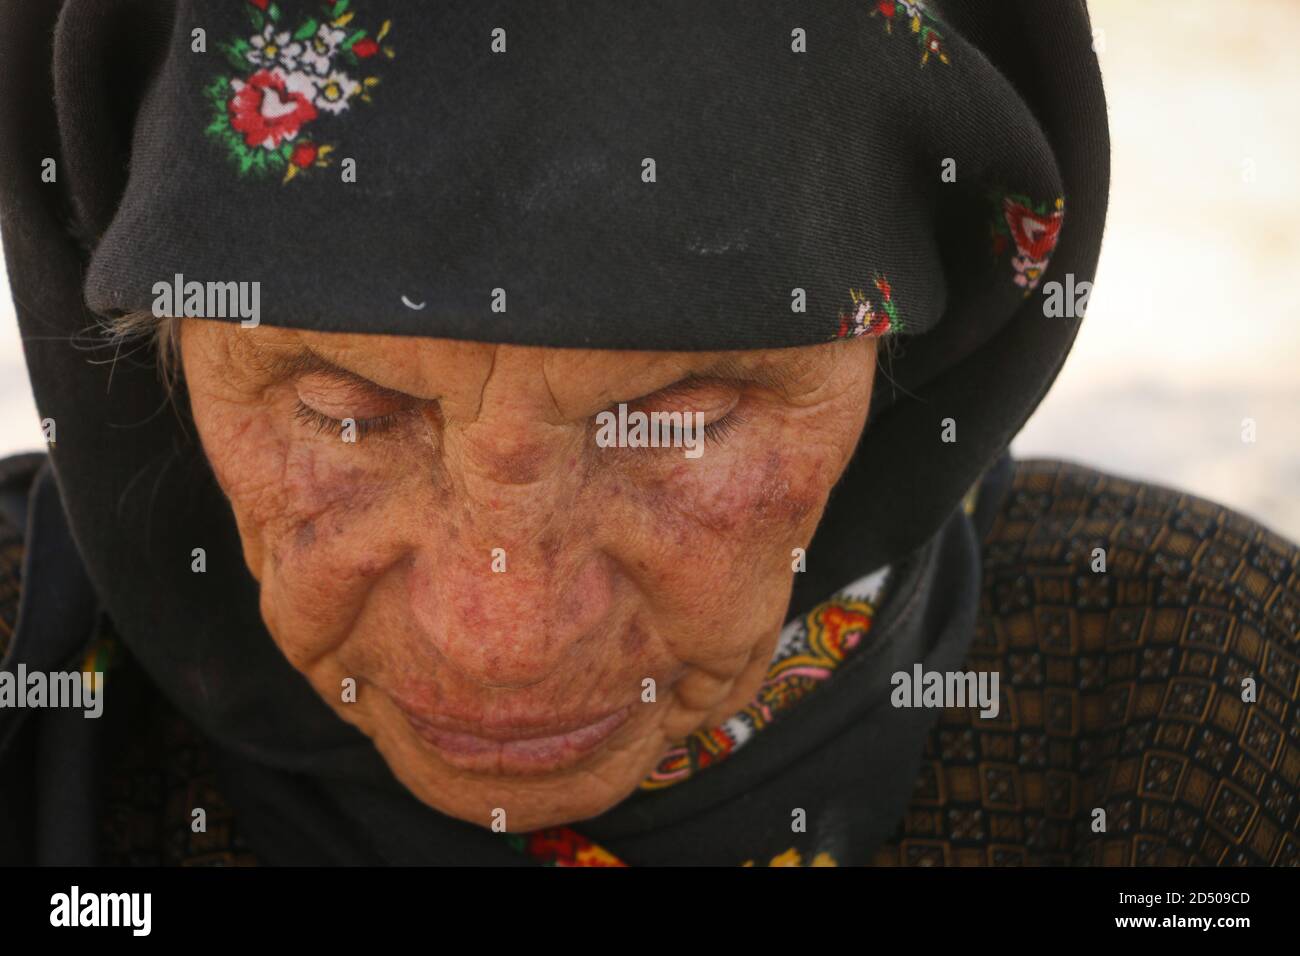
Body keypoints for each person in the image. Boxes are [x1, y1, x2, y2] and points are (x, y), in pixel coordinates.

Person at [0, 0, 1295, 866]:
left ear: (926, 342)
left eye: (679, 417)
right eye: (343, 413)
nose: (500, 641)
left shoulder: (1218, 718)